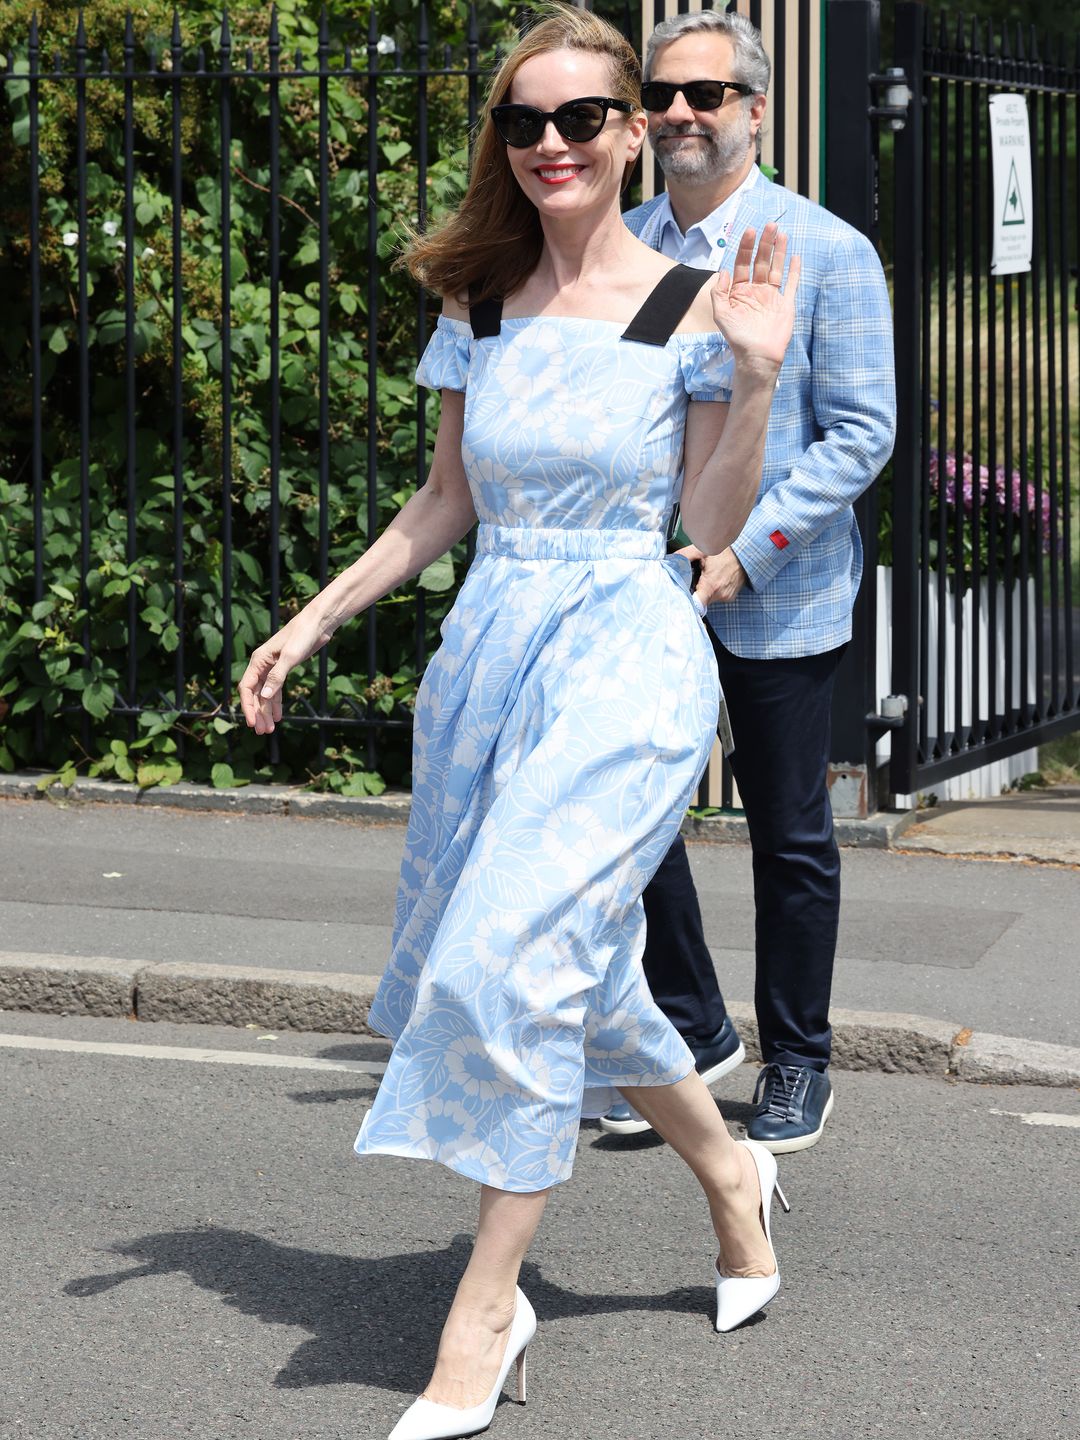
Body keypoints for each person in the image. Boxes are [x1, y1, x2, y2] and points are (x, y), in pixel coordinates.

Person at [239, 7, 800, 1438]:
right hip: (494, 653)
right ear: (505, 144)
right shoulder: (476, 310)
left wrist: (753, 380)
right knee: (581, 974)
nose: (551, 144)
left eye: (581, 121)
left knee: (511, 951)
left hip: (626, 645)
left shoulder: (690, 306)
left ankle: (484, 1314)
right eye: (522, 123)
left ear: (632, 135)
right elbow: (442, 506)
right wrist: (311, 621)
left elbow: (709, 527)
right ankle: (732, 1176)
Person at [599, 8, 896, 1152]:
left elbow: (861, 434)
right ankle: (689, 1028)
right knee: (631, 812)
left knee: (788, 835)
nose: (678, 113)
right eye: (662, 96)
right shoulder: (629, 248)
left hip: (785, 586)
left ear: (755, 111)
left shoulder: (828, 250)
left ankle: (797, 1062)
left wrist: (746, 548)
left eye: (704, 95)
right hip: (646, 584)